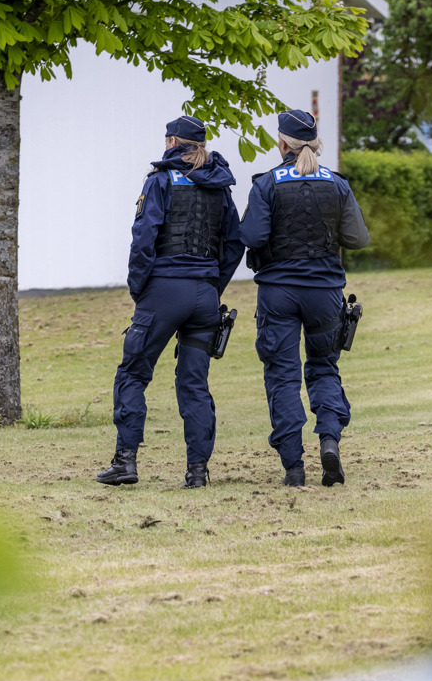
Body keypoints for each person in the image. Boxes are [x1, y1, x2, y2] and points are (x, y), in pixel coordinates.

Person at [96, 115, 245, 489]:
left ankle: (125, 462)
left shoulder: (160, 180)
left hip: (163, 290)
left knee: (133, 373)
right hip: (205, 296)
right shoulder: (221, 187)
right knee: (194, 384)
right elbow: (235, 242)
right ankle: (197, 472)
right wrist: (214, 285)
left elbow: (143, 239)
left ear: (172, 143)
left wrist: (139, 290)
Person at [239, 109, 370, 487]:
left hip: (277, 294)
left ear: (282, 144)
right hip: (325, 294)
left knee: (282, 376)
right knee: (324, 369)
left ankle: (294, 469)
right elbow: (359, 239)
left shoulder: (266, 184)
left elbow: (252, 238)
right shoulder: (337, 184)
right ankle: (329, 440)